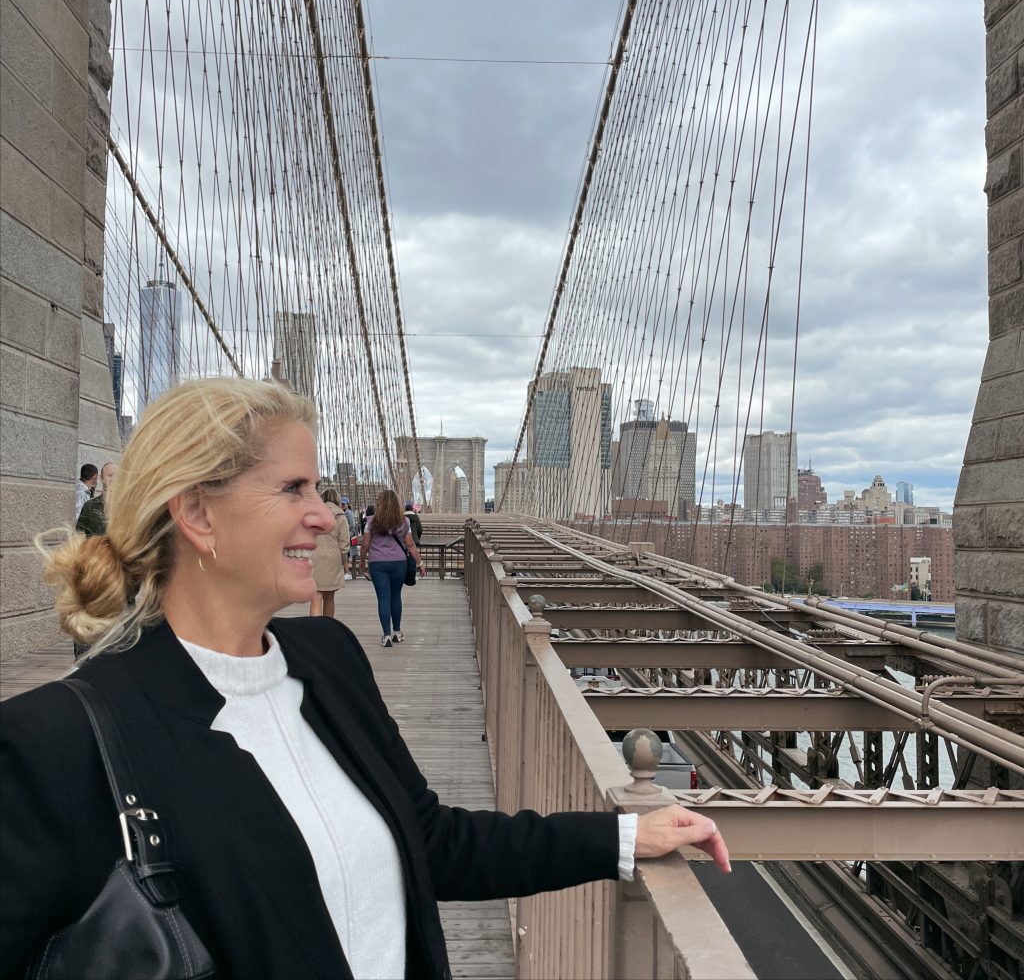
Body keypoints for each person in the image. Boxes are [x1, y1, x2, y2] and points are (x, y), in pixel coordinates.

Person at [0, 377, 730, 980]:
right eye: (294, 489)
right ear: (197, 513)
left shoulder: (326, 657)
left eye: (318, 489)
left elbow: (433, 841)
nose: (325, 516)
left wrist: (622, 837)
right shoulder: (52, 744)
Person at [360, 491, 423, 648]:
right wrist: (420, 563)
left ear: (379, 504)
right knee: (395, 596)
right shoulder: (404, 521)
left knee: (383, 598)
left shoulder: (371, 521)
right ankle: (397, 632)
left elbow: (365, 545)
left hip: (377, 563)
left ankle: (386, 635)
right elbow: (410, 545)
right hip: (398, 563)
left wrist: (362, 563)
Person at [310, 487, 348, 618]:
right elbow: (344, 543)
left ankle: (314, 630)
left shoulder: (313, 514)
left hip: (314, 556)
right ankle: (328, 628)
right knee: (330, 596)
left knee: (316, 596)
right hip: (333, 558)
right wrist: (344, 561)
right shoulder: (341, 516)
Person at [76, 462, 118, 537]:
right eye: (110, 475)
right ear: (101, 478)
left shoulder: (125, 508)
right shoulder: (89, 506)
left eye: (116, 476)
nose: (113, 479)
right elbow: (78, 535)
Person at [340, 496, 357, 580]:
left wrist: (344, 527)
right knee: (344, 554)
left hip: (348, 535)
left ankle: (347, 572)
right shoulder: (342, 512)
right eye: (341, 503)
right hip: (344, 535)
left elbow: (353, 525)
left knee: (345, 554)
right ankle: (345, 572)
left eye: (343, 504)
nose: (342, 505)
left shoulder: (348, 513)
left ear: (347, 504)